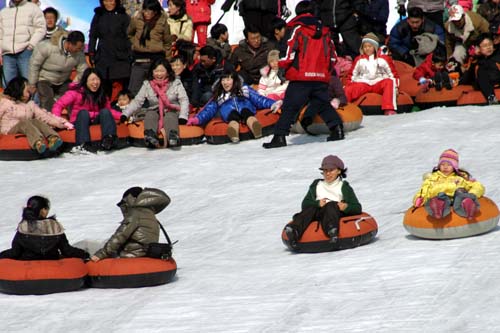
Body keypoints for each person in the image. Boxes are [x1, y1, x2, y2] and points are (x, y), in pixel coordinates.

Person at [263, 1, 344, 149]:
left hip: (301, 77)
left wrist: (279, 64)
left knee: (289, 107)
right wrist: (324, 71)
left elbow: (289, 52)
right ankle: (337, 129)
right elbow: (333, 57)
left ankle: (279, 137)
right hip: (320, 77)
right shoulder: (325, 31)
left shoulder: (297, 29)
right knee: (323, 104)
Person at [284, 155, 362, 249]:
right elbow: (305, 204)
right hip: (317, 213)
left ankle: (332, 230)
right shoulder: (317, 185)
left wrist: (346, 207)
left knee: (331, 205)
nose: (328, 174)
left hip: (334, 213)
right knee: (311, 208)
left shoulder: (344, 187)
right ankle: (294, 231)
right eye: (325, 171)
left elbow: (357, 207)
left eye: (331, 170)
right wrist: (317, 203)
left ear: (339, 171)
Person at [187, 69, 281, 143]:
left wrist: (273, 103)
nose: (225, 83)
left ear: (234, 80)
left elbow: (258, 99)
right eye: (223, 80)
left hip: (246, 108)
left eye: (228, 79)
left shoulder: (243, 89)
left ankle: (255, 127)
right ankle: (233, 132)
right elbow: (209, 109)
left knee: (246, 112)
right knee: (232, 116)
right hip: (229, 112)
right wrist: (197, 119)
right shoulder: (220, 95)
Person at [121, 58, 189, 148]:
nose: (159, 74)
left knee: (170, 116)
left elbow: (184, 100)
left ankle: (172, 136)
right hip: (154, 109)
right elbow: (137, 101)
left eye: (162, 71)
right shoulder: (147, 84)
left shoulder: (175, 83)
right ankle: (150, 135)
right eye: (156, 71)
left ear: (168, 72)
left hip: (171, 109)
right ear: (152, 72)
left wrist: (183, 116)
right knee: (150, 115)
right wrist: (125, 114)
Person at [91, 187, 171, 261]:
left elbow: (120, 236)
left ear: (129, 200)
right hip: (145, 255)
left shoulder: (135, 214)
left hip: (131, 256)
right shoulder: (150, 214)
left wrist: (100, 254)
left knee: (90, 247)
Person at [52, 68, 122, 153]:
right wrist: (57, 120)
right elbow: (58, 105)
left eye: (97, 79)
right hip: (80, 121)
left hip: (95, 120)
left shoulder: (102, 94)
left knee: (105, 112)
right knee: (83, 113)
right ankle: (83, 144)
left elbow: (109, 111)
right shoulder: (75, 92)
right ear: (86, 81)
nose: (95, 83)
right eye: (92, 80)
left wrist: (123, 116)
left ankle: (109, 139)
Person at [0, 195, 89, 261]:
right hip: (52, 263)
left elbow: (15, 252)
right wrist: (85, 254)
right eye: (46, 208)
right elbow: (67, 251)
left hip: (28, 265)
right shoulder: (54, 226)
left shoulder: (23, 227)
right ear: (42, 210)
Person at [0, 77, 71, 154]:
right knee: (25, 122)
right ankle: (37, 142)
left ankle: (53, 138)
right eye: (27, 91)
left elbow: (45, 116)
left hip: (26, 127)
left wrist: (63, 123)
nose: (30, 93)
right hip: (9, 130)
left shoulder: (31, 104)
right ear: (19, 91)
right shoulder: (6, 103)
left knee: (36, 121)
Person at [413, 149, 485, 221]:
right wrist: (419, 199)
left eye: (449, 165)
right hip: (442, 200)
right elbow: (424, 191)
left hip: (458, 200)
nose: (445, 167)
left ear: (454, 167)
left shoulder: (460, 178)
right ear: (439, 166)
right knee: (439, 197)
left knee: (461, 192)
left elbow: (477, 186)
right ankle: (438, 211)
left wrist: (472, 194)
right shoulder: (432, 179)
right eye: (442, 164)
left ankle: (468, 207)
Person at [28, 30, 87, 113]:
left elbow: (83, 70)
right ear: (69, 44)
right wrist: (32, 83)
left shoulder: (79, 53)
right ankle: (48, 123)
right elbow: (34, 64)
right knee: (47, 100)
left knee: (72, 97)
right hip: (44, 79)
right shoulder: (47, 46)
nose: (79, 50)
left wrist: (74, 84)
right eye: (77, 48)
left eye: (80, 48)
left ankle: (73, 122)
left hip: (63, 80)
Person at [344, 33, 399, 116]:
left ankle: (389, 108)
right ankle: (345, 107)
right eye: (365, 47)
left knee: (389, 82)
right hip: (364, 83)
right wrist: (349, 85)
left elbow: (393, 74)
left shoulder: (384, 59)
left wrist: (396, 87)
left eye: (370, 46)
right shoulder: (359, 59)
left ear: (375, 47)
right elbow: (352, 75)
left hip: (379, 82)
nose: (367, 49)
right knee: (348, 89)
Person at [128, 0, 174, 95]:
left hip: (156, 61)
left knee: (155, 92)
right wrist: (135, 44)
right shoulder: (136, 20)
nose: (146, 13)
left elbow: (167, 43)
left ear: (156, 11)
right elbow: (129, 34)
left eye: (150, 11)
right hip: (139, 60)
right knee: (134, 90)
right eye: (145, 10)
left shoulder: (163, 22)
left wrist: (167, 62)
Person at [89, 0, 132, 99]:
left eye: (111, 0)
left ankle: (124, 108)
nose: (109, 3)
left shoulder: (123, 15)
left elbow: (129, 37)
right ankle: (104, 109)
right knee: (103, 85)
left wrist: (130, 53)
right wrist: (92, 52)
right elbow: (93, 35)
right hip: (103, 55)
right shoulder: (98, 15)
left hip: (121, 55)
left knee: (125, 83)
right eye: (106, 1)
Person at [0, 0, 46, 87]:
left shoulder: (33, 8)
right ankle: (10, 101)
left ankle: (31, 101)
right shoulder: (3, 12)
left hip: (26, 52)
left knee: (30, 83)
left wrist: (31, 45)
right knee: (9, 85)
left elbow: (41, 29)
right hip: (7, 55)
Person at [460, 33, 500, 104]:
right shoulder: (476, 61)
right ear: (478, 48)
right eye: (485, 46)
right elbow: (466, 78)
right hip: (483, 84)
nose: (488, 47)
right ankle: (491, 97)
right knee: (481, 70)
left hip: (497, 80)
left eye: (490, 44)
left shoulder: (497, 55)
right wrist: (474, 59)